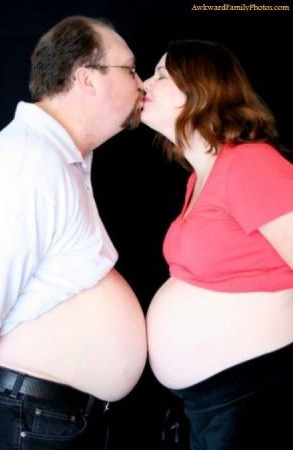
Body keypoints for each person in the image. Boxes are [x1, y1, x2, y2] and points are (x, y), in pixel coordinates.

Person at [0, 16, 147, 450]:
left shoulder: (62, 158)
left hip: (47, 418)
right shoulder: (28, 162)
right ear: (87, 78)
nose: (142, 84)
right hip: (27, 418)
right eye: (131, 69)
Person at [141, 39, 293, 450]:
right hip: (213, 403)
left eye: (160, 74)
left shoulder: (250, 163)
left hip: (255, 397)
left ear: (199, 88)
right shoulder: (198, 178)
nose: (144, 83)